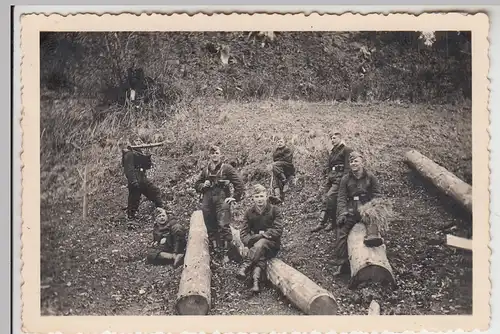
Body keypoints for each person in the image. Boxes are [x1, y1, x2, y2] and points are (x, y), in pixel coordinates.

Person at [331, 151, 382, 275]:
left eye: (356, 161)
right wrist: (342, 212)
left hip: (367, 207)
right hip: (352, 208)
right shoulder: (346, 178)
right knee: (341, 230)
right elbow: (341, 197)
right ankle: (342, 263)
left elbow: (377, 195)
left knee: (373, 229)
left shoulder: (370, 177)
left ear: (362, 162)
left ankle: (375, 259)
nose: (353, 163)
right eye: (351, 161)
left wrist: (372, 208)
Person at [194, 145, 245, 258]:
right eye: (212, 153)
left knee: (223, 224)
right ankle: (216, 249)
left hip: (222, 199)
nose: (214, 155)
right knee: (210, 223)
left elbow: (239, 183)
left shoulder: (226, 168)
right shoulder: (206, 170)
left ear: (220, 154)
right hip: (207, 199)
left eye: (216, 153)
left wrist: (235, 197)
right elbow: (196, 185)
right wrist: (203, 185)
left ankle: (228, 252)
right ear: (209, 155)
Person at [237, 184, 284, 293]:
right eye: (257, 196)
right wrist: (251, 241)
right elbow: (244, 233)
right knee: (260, 251)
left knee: (261, 243)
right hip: (256, 246)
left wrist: (263, 235)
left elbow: (278, 230)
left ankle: (245, 266)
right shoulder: (249, 212)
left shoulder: (274, 210)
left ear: (266, 196)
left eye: (261, 196)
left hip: (272, 245)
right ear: (253, 198)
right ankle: (255, 283)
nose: (259, 199)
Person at [311, 131, 352, 233]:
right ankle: (321, 222)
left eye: (334, 138)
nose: (332, 140)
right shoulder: (333, 151)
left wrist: (344, 179)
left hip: (340, 178)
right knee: (326, 197)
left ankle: (333, 222)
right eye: (332, 139)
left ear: (340, 139)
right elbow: (329, 166)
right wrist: (328, 176)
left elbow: (348, 166)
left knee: (330, 196)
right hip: (331, 177)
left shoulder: (346, 150)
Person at [122, 137, 164, 228]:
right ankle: (131, 219)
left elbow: (147, 166)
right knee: (134, 200)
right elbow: (129, 169)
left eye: (140, 140)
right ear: (132, 142)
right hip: (135, 180)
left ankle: (161, 211)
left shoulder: (139, 153)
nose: (139, 142)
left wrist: (148, 157)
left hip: (143, 179)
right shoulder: (128, 154)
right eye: (136, 140)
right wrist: (133, 181)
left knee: (155, 191)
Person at [271, 136, 296, 201]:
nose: (279, 143)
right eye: (278, 142)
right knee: (275, 175)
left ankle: (284, 181)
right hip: (279, 168)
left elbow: (287, 159)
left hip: (288, 167)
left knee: (274, 165)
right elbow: (274, 159)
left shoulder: (287, 149)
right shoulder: (276, 151)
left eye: (281, 142)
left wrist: (278, 160)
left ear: (285, 143)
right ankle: (277, 196)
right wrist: (278, 161)